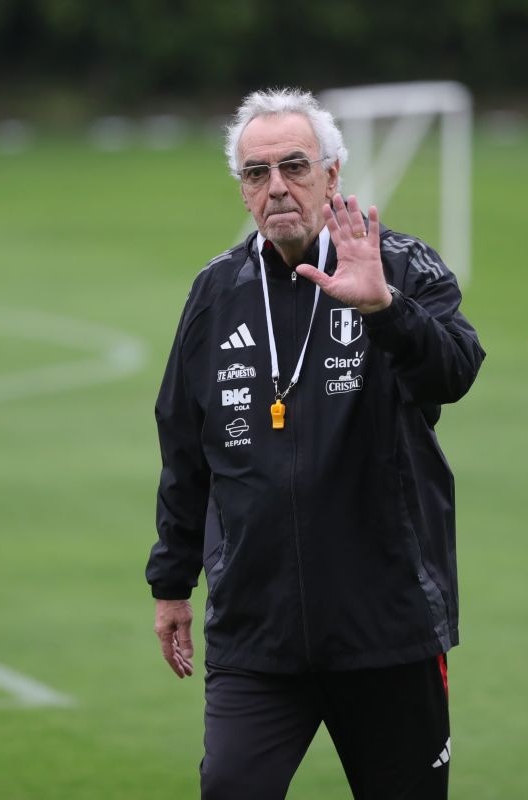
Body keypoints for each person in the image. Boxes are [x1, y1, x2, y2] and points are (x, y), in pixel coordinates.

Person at [145, 87, 486, 799]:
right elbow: (183, 445)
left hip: (384, 627)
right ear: (242, 191)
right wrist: (172, 581)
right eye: (256, 173)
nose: (276, 187)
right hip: (256, 633)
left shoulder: (399, 266)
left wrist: (385, 310)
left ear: (333, 174)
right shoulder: (215, 294)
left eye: (294, 166)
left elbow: (456, 370)